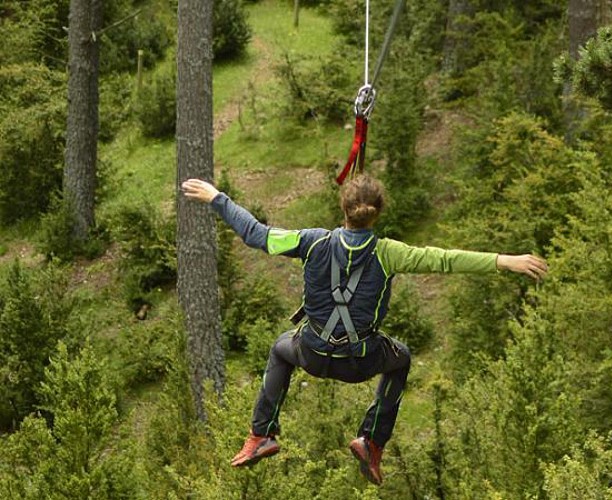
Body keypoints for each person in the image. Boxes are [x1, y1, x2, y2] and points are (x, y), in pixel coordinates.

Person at [181, 175, 547, 485]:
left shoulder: (310, 241)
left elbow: (256, 234)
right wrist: (504, 261)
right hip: (360, 362)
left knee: (280, 349)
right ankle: (371, 441)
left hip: (311, 354)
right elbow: (445, 259)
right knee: (400, 359)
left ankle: (261, 434)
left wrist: (217, 198)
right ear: (378, 213)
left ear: (344, 210)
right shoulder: (389, 253)